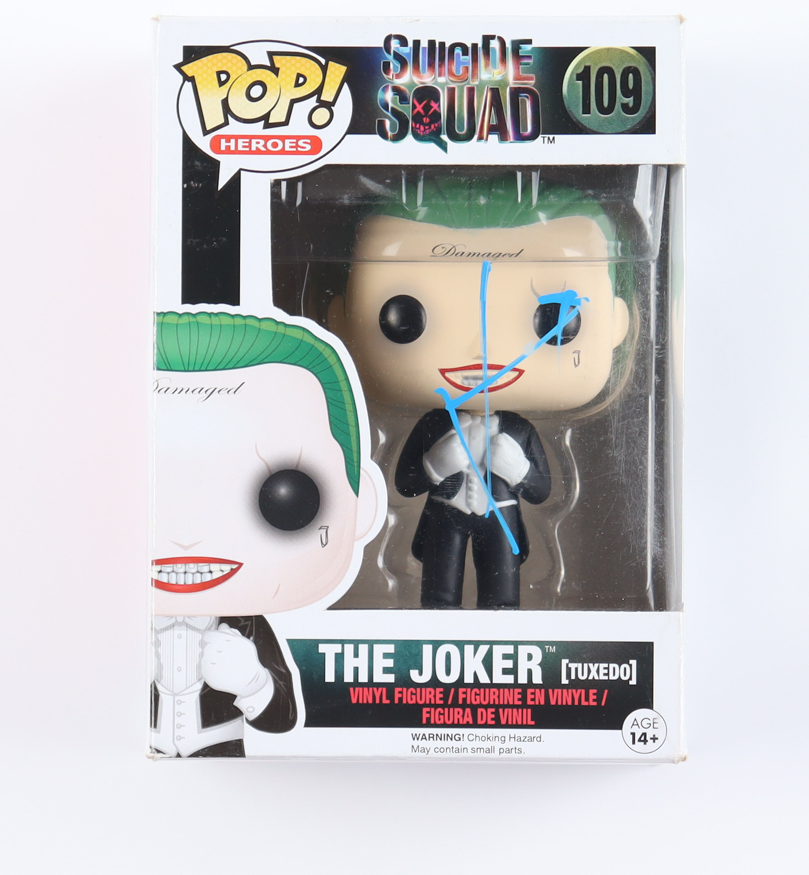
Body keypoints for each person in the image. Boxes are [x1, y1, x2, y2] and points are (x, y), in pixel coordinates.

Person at [328, 173, 632, 609]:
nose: (481, 351)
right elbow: (406, 483)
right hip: (445, 517)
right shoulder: (434, 425)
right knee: (439, 594)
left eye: (554, 321)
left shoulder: (518, 429)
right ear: (339, 321)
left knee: (502, 594)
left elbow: (541, 490)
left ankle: (502, 619)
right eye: (405, 317)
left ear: (617, 323)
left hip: (501, 517)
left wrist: (519, 468)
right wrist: (435, 465)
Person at [150, 312, 384, 755]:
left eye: (285, 497)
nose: (186, 537)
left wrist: (254, 683)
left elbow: (282, 719)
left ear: (363, 504)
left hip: (223, 757)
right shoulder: (113, 624)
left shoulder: (245, 625)